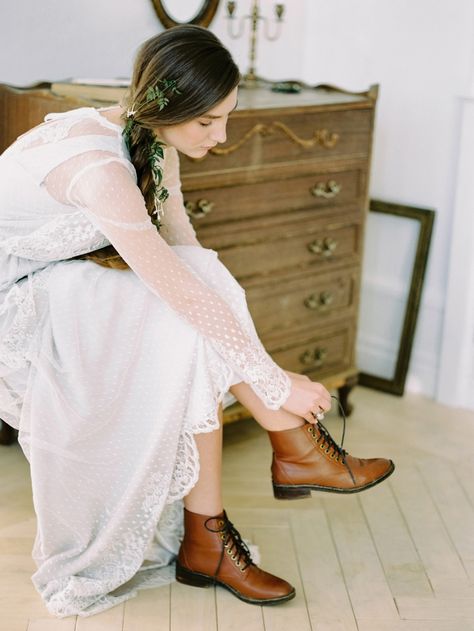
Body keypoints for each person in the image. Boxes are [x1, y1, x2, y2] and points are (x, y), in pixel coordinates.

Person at [0, 25, 394, 617]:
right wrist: (274, 381)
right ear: (168, 105)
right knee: (189, 314)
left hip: (67, 279)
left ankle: (222, 524)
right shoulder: (98, 170)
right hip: (19, 298)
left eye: (227, 117)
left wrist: (261, 369)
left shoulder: (150, 136)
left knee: (198, 299)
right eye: (208, 122)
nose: (222, 135)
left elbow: (183, 244)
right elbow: (173, 281)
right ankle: (284, 453)